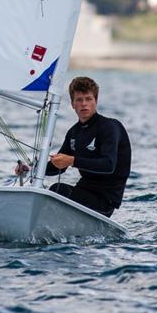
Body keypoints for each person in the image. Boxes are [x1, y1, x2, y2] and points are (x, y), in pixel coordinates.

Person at [46, 75, 131, 217]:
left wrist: (72, 160)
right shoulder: (73, 132)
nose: (84, 104)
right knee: (54, 191)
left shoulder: (109, 127)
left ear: (95, 101)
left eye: (88, 99)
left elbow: (109, 165)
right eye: (79, 100)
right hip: (84, 192)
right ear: (73, 104)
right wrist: (32, 168)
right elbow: (58, 166)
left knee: (58, 190)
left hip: (105, 200)